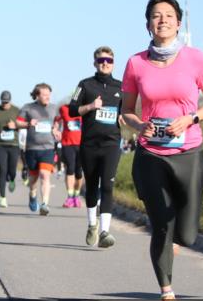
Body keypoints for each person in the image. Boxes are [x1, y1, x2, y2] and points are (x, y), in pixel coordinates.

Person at [121, 0, 203, 301]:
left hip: (189, 151)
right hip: (151, 156)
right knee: (161, 224)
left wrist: (191, 118)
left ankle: (173, 243)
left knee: (187, 234)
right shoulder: (136, 63)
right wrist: (140, 126)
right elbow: (126, 112)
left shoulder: (196, 59)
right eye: (155, 16)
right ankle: (167, 294)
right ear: (148, 24)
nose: (161, 20)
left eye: (168, 15)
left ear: (179, 23)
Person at [70, 46, 124, 248]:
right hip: (89, 144)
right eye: (101, 60)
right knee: (92, 186)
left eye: (109, 60)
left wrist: (124, 117)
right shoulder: (85, 85)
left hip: (111, 143)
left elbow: (127, 111)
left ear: (113, 63)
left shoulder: (121, 87)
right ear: (95, 62)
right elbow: (72, 110)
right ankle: (92, 224)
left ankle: (104, 231)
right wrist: (91, 107)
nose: (105, 63)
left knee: (108, 185)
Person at [17, 83, 60, 216]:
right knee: (33, 178)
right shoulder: (28, 108)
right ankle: (32, 194)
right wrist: (29, 123)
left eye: (49, 94)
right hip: (32, 148)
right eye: (45, 95)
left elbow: (57, 122)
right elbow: (18, 122)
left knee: (45, 175)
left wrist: (56, 129)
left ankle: (44, 204)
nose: (48, 97)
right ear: (37, 95)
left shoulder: (54, 108)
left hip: (48, 147)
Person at [59, 102, 85, 207]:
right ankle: (69, 197)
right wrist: (55, 129)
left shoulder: (85, 109)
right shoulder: (63, 108)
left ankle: (76, 196)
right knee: (70, 169)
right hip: (67, 144)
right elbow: (57, 120)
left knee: (79, 172)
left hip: (81, 145)